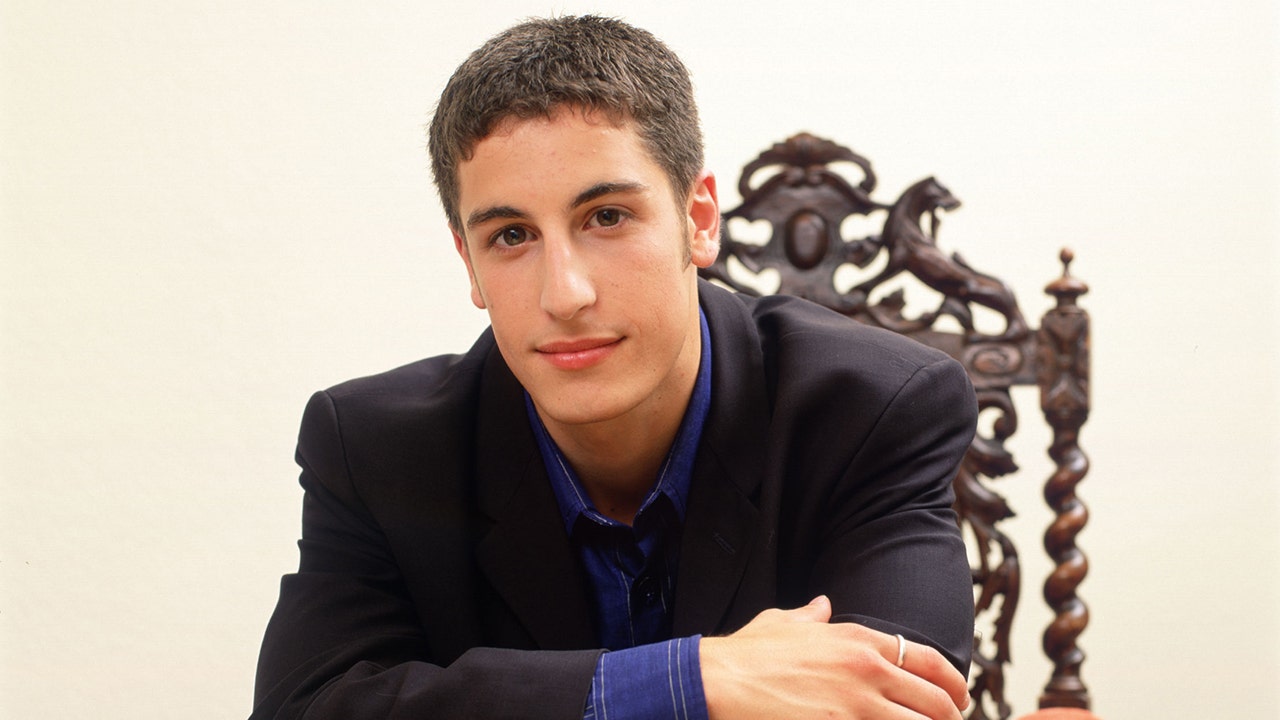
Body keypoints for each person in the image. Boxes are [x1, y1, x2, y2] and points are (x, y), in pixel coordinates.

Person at [252, 15, 977, 720]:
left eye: (606, 217)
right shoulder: (374, 450)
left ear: (698, 220)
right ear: (468, 263)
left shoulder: (876, 408)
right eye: (511, 235)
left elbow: (901, 705)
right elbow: (305, 708)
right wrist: (692, 681)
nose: (564, 294)